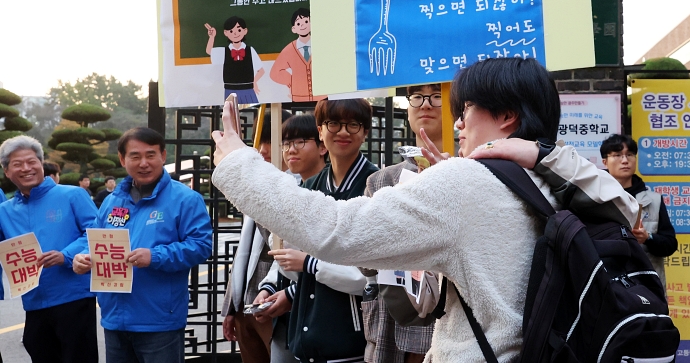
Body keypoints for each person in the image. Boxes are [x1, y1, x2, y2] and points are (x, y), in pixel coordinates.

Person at [210, 58, 639, 362]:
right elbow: (630, 213)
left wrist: (238, 163)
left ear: (506, 116)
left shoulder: (467, 183)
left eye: (464, 109)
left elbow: (337, 229)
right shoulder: (552, 179)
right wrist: (541, 152)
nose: (456, 124)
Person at [73, 127, 213, 363]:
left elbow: (201, 246)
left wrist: (155, 256)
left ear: (163, 156)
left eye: (150, 155)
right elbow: (93, 240)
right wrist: (82, 257)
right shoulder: (111, 201)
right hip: (114, 317)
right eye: (135, 156)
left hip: (159, 320)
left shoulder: (185, 199)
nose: (144, 163)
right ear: (122, 159)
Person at [260, 99, 375, 362]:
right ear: (321, 132)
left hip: (351, 341)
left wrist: (311, 263)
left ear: (365, 132)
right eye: (333, 123)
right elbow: (293, 265)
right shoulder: (310, 187)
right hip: (305, 337)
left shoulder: (375, 184)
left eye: (353, 124)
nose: (343, 132)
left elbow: (370, 278)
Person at [362, 84, 443, 363]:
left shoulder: (472, 171)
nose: (426, 104)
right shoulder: (382, 181)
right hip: (393, 320)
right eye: (417, 97)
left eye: (437, 95)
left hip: (448, 325)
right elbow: (364, 261)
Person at [0, 135, 98, 363]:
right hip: (33, 300)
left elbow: (95, 232)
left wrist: (66, 255)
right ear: (6, 171)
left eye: (31, 161)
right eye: (17, 164)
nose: (26, 168)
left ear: (41, 164)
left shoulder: (72, 194)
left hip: (74, 297)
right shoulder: (5, 211)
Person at [253, 114, 328, 363]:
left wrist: (292, 293)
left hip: (324, 317)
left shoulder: (334, 195)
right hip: (286, 317)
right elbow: (282, 254)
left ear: (322, 146)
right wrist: (269, 287)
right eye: (285, 143)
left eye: (299, 141)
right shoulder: (292, 192)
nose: (289, 150)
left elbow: (341, 263)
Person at [221, 109, 292, 363]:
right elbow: (243, 251)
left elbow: (282, 241)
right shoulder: (257, 184)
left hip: (277, 304)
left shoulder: (299, 185)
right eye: (259, 139)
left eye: (272, 139)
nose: (263, 148)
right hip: (245, 305)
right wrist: (231, 308)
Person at [600, 134, 678, 287]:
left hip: (647, 287)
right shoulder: (596, 198)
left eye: (629, 155)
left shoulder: (654, 200)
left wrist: (648, 238)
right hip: (608, 285)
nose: (625, 160)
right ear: (605, 161)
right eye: (617, 155)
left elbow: (670, 244)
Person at [270, 8, 326, 102]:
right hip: (298, 97)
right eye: (298, 23)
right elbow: (275, 72)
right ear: (294, 29)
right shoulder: (289, 49)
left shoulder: (321, 44)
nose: (303, 25)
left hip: (322, 96)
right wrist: (292, 80)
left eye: (306, 21)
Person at [206, 16, 265, 104]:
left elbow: (261, 71)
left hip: (247, 90)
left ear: (245, 31)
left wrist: (254, 82)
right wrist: (212, 37)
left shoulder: (250, 50)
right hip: (230, 91)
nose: (235, 34)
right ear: (226, 33)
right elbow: (209, 51)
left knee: (251, 112)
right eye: (231, 31)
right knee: (230, 114)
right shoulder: (224, 51)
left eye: (239, 30)